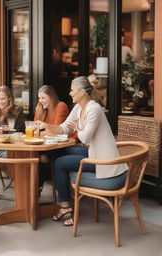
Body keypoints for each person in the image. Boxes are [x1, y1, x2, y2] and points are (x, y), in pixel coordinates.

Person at [36, 76, 127, 226]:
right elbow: (64, 128)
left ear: (83, 92)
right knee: (60, 152)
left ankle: (65, 206)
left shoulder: (94, 109)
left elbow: (84, 138)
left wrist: (77, 128)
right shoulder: (78, 107)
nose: (70, 93)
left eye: (73, 90)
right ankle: (64, 202)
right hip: (94, 153)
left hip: (103, 161)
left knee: (59, 163)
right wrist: (45, 125)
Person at [34, 85, 69, 193]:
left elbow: (57, 130)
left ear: (52, 97)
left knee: (42, 158)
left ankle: (36, 192)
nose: (40, 101)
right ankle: (33, 191)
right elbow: (35, 130)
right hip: (45, 145)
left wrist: (45, 129)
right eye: (39, 98)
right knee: (34, 158)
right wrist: (45, 130)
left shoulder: (61, 106)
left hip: (60, 145)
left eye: (43, 98)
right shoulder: (40, 109)